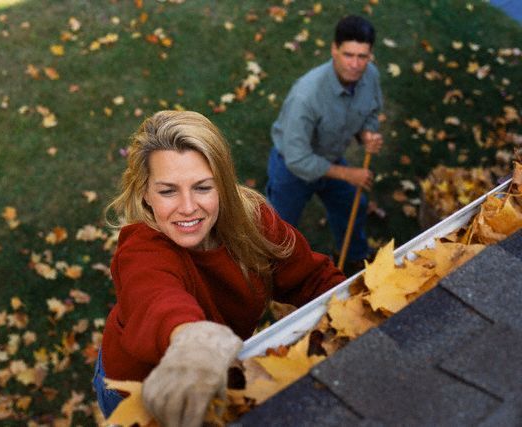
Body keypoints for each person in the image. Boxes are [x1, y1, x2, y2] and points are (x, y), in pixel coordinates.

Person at [93, 110, 346, 426]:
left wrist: (353, 313)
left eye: (202, 187)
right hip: (138, 389)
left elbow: (312, 277)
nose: (187, 207)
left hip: (215, 376)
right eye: (168, 190)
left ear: (223, 185)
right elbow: (156, 298)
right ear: (145, 193)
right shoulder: (141, 249)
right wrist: (194, 341)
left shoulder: (253, 222)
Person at [265, 15, 384, 275]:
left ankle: (352, 258)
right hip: (291, 169)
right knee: (277, 231)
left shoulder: (370, 76)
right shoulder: (306, 96)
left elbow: (373, 111)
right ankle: (269, 276)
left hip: (329, 157)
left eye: (362, 57)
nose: (355, 65)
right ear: (334, 49)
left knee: (354, 205)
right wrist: (347, 174)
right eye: (348, 55)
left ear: (370, 54)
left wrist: (367, 134)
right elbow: (298, 158)